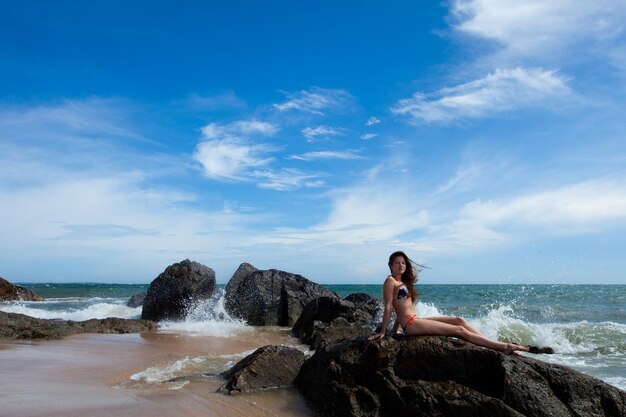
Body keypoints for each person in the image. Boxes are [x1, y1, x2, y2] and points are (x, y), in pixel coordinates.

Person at [368, 251, 529, 355]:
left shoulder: (403, 282)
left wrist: (396, 331)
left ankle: (492, 344)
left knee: (459, 320)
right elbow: (389, 306)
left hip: (415, 321)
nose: (401, 265)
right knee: (459, 330)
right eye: (397, 262)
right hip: (411, 325)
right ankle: (503, 347)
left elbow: (401, 308)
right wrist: (383, 332)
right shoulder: (390, 282)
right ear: (390, 265)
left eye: (403, 262)